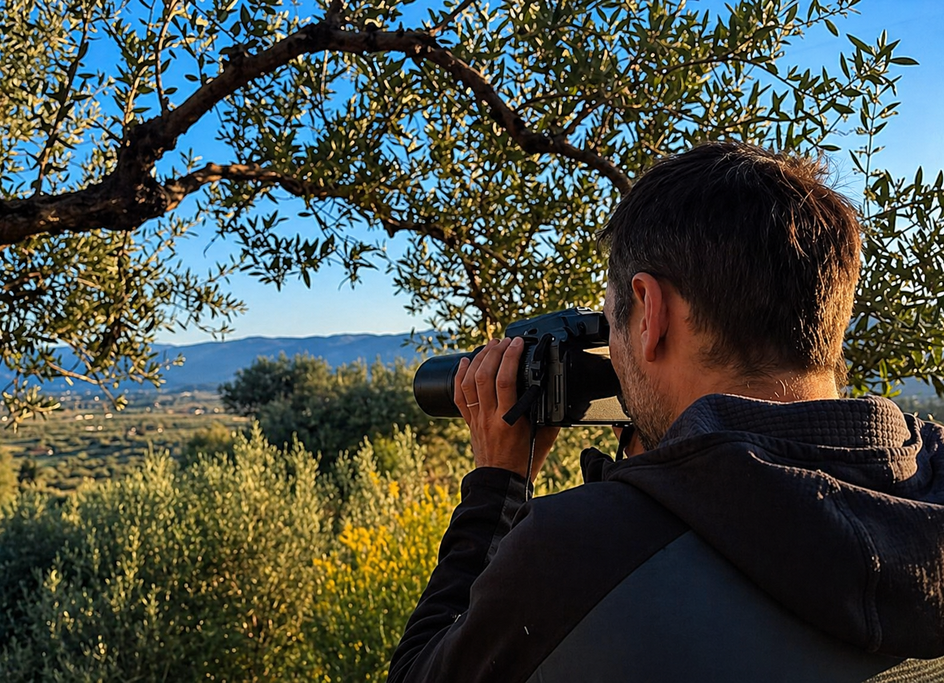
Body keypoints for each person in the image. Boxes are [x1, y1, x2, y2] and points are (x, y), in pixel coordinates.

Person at [386, 141, 944, 682]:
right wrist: (665, 465)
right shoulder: (930, 479)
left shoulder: (576, 553)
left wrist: (497, 484)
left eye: (616, 323)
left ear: (650, 312)